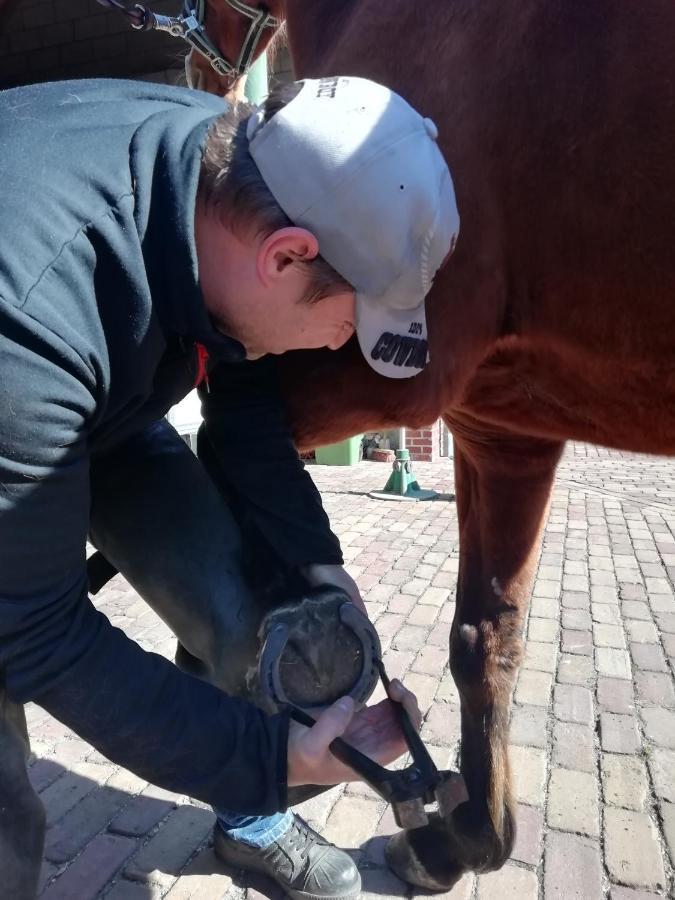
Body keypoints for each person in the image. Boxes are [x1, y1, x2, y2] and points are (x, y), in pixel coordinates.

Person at [0, 74, 459, 900]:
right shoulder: (28, 324)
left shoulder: (235, 167)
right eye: (348, 323)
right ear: (286, 255)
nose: (339, 344)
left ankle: (251, 828)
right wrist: (267, 759)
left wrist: (318, 565)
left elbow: (242, 408)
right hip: (32, 372)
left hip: (99, 398)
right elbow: (37, 635)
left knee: (260, 619)